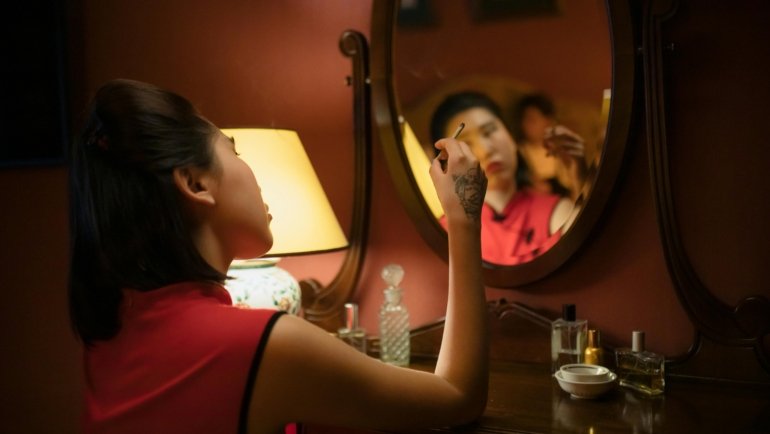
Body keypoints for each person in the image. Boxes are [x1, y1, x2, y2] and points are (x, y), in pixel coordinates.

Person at [69, 79, 489, 434]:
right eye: (234, 152)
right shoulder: (264, 344)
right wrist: (464, 217)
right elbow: (458, 397)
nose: (251, 171)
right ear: (195, 183)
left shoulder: (113, 326)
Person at [430, 91, 580, 266]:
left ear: (511, 136)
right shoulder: (446, 230)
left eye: (489, 131)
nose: (485, 150)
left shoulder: (555, 211)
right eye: (466, 144)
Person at [511, 93, 586, 201]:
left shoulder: (561, 151)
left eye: (532, 120)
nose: (526, 125)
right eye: (524, 120)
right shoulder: (519, 151)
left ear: (548, 122)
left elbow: (576, 188)